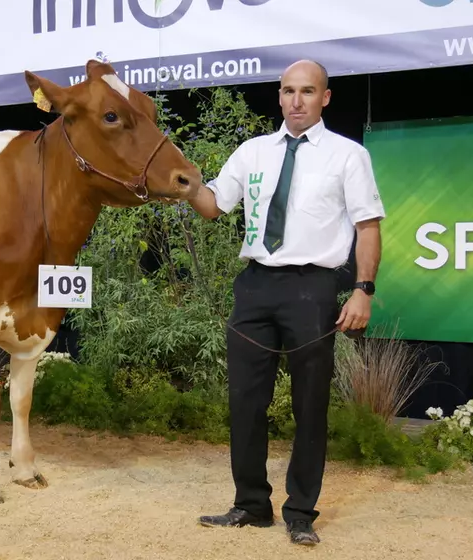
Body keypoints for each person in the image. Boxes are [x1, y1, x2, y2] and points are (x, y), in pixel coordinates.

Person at [187, 59, 386, 545]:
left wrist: (363, 290)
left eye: (307, 91)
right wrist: (185, 181)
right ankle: (251, 505)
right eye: (288, 91)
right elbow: (214, 206)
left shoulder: (347, 155)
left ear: (325, 98)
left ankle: (300, 512)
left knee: (309, 404)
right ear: (278, 96)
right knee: (245, 402)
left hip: (312, 289)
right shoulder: (252, 152)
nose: (296, 101)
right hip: (256, 285)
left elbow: (368, 227)